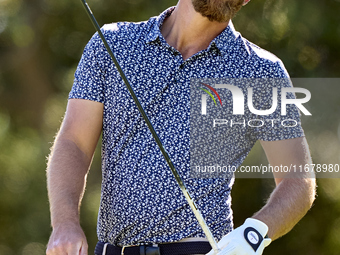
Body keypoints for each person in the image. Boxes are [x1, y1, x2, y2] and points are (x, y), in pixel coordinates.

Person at [46, 0, 316, 254]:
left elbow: (298, 178)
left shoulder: (259, 71)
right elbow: (74, 142)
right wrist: (64, 222)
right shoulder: (113, 43)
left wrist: (254, 233)